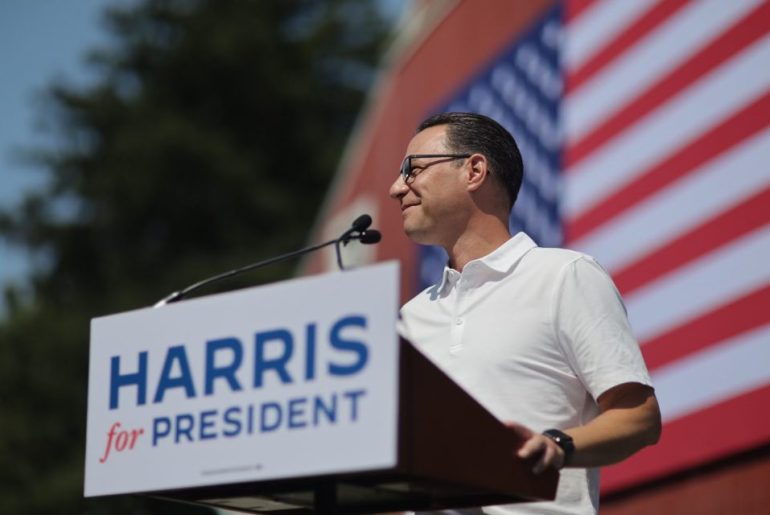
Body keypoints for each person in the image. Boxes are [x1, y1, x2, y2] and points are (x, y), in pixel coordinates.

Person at [390, 112, 661, 514]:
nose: (397, 188)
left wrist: (557, 445)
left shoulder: (563, 276)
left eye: (412, 170)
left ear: (474, 170)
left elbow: (639, 416)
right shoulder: (410, 318)